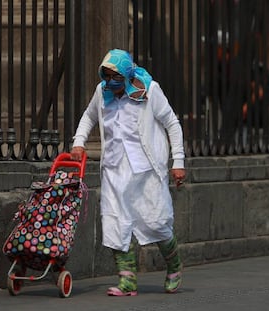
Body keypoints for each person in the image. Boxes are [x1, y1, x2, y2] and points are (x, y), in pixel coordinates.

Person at [70, 49, 186, 296]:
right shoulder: (102, 93)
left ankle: (174, 266)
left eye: (115, 77)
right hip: (114, 169)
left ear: (126, 75)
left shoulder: (149, 90)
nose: (110, 82)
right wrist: (79, 142)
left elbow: (172, 124)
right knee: (114, 224)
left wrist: (178, 162)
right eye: (106, 76)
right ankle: (127, 281)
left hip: (146, 171)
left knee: (157, 222)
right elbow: (88, 117)